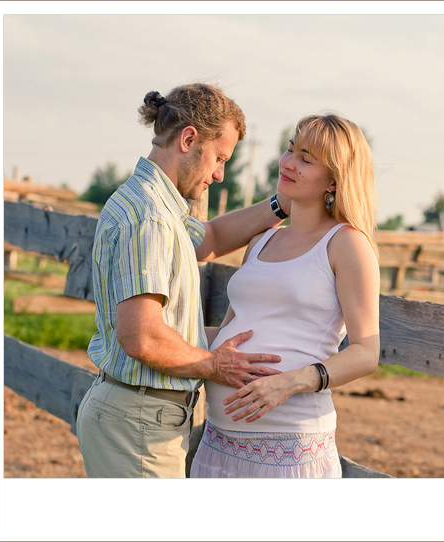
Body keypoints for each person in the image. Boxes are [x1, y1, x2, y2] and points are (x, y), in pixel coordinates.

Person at [76, 83, 291, 478]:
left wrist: (282, 205)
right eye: (219, 158)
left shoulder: (156, 206)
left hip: (139, 418)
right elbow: (142, 336)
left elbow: (209, 239)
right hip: (139, 427)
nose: (220, 174)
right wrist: (214, 363)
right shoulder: (151, 217)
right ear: (189, 139)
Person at [190, 113, 380, 478]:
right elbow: (235, 329)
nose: (288, 163)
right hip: (218, 442)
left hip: (289, 449)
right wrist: (162, 341)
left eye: (306, 160)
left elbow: (366, 353)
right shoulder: (262, 240)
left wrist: (287, 382)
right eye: (291, 150)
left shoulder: (347, 244)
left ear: (335, 180)